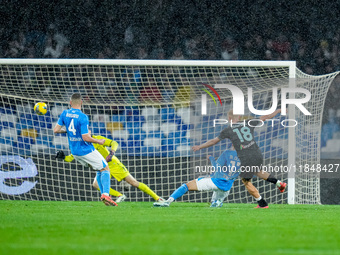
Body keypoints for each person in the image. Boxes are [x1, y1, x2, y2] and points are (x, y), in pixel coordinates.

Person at [192, 109, 287, 208]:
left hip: (246, 156)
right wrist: (278, 110)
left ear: (229, 118)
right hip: (257, 153)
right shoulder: (248, 123)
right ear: (239, 117)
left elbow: (213, 141)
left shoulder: (228, 130)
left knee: (246, 182)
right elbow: (265, 117)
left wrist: (200, 147)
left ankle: (262, 204)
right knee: (258, 171)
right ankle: (279, 183)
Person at [56, 132, 164, 203]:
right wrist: (63, 157)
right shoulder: (81, 146)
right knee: (96, 185)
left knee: (133, 182)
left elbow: (114, 143)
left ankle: (157, 198)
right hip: (102, 167)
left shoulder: (97, 139)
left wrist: (111, 153)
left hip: (113, 164)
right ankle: (120, 195)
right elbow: (71, 158)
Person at [53, 93, 117, 206]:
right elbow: (85, 137)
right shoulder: (83, 117)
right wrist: (99, 141)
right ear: (81, 102)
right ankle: (106, 195)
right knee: (106, 168)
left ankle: (104, 196)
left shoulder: (65, 113)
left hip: (74, 151)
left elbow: (56, 130)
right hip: (85, 149)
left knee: (99, 169)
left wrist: (68, 130)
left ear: (70, 102)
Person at [153, 149, 268, 208]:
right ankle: (218, 202)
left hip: (215, 182)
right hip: (227, 188)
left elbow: (217, 168)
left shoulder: (227, 153)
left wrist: (212, 159)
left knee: (186, 185)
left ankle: (168, 202)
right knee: (215, 202)